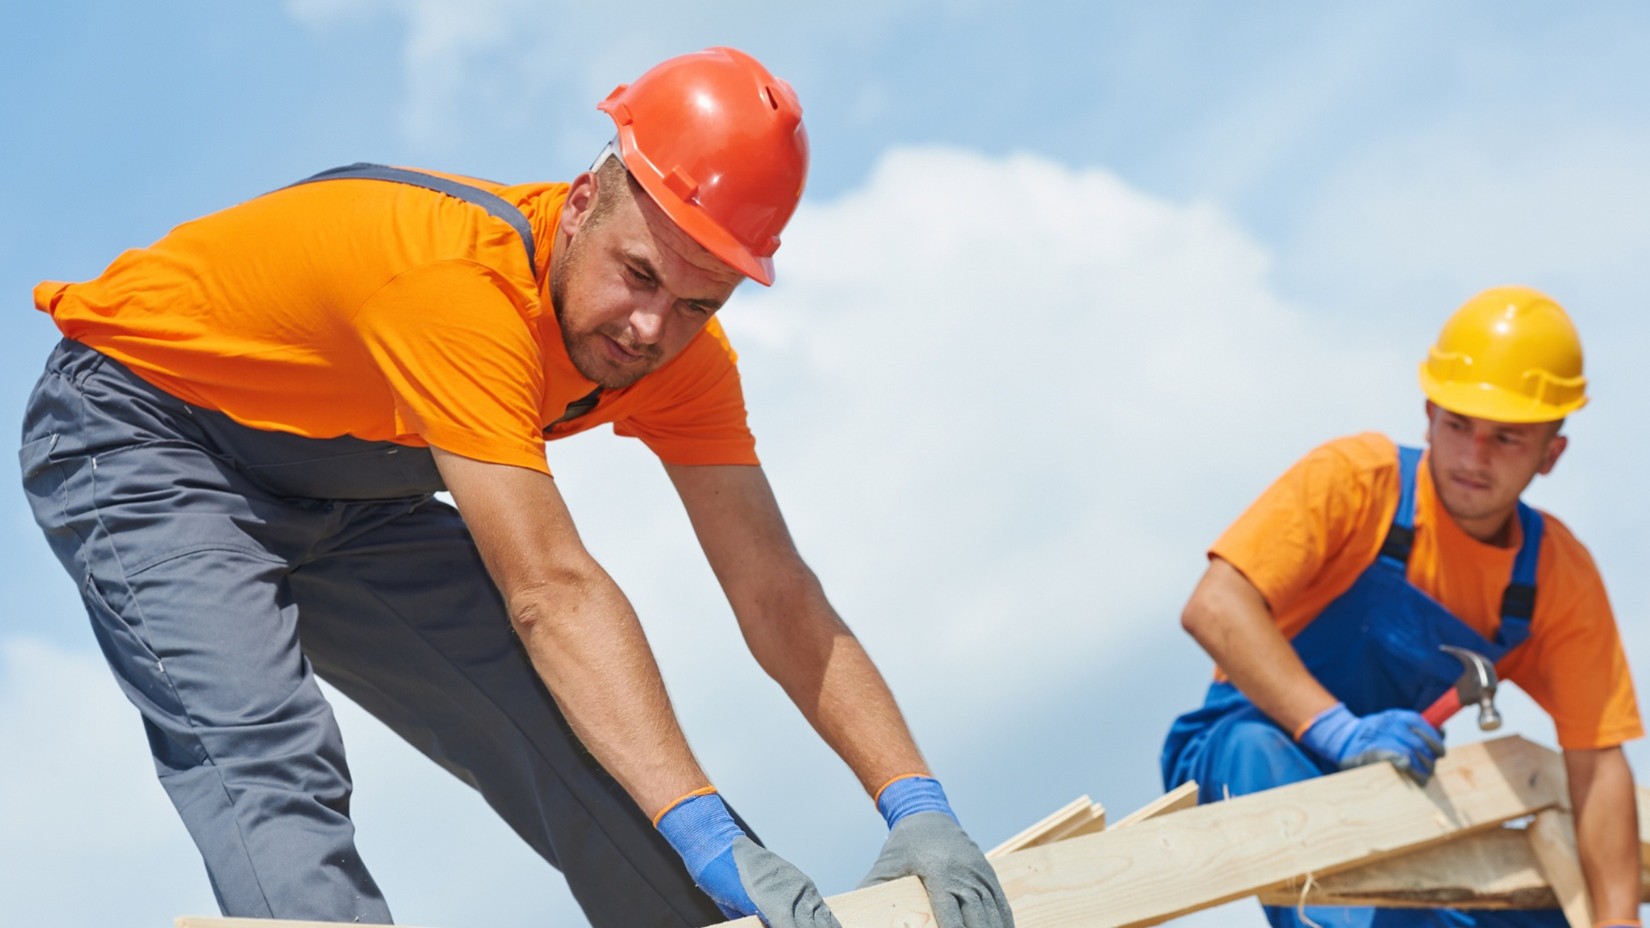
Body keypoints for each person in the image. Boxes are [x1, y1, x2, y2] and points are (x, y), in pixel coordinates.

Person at [20, 47, 1011, 928]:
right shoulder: (456, 287)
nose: (650, 328)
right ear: (584, 202)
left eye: (696, 303)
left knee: (584, 744)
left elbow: (776, 589)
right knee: (267, 753)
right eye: (637, 275)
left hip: (351, 489)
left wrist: (917, 803)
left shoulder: (681, 358)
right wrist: (713, 836)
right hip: (148, 434)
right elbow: (550, 588)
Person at [1159, 286, 1642, 928]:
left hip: (1398, 785)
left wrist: (1616, 923)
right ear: (1428, 414)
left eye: (1507, 438)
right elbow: (1214, 605)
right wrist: (1340, 732)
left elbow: (1597, 762)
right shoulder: (1361, 483)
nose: (1475, 457)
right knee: (1257, 751)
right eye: (1459, 425)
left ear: (1551, 453)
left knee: (1541, 915)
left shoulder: (1555, 573)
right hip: (1253, 742)